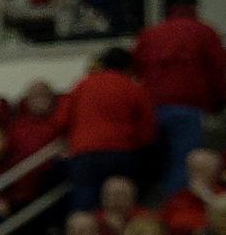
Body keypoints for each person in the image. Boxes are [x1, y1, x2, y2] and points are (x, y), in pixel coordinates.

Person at [134, 0, 226, 196]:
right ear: (194, 8)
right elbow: (219, 69)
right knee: (182, 163)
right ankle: (176, 209)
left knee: (159, 162)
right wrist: (219, 101)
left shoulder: (150, 33)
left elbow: (137, 67)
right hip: (188, 108)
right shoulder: (205, 32)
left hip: (153, 108)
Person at [55, 48, 156, 211]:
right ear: (129, 67)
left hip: (85, 153)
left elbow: (61, 120)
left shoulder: (83, 85)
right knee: (122, 202)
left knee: (85, 202)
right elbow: (147, 129)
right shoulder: (133, 87)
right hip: (122, 152)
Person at [162, 149, 225, 235]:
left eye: (204, 169)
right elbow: (176, 224)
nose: (197, 175)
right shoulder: (178, 199)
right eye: (194, 169)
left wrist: (208, 197)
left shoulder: (222, 192)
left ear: (216, 171)